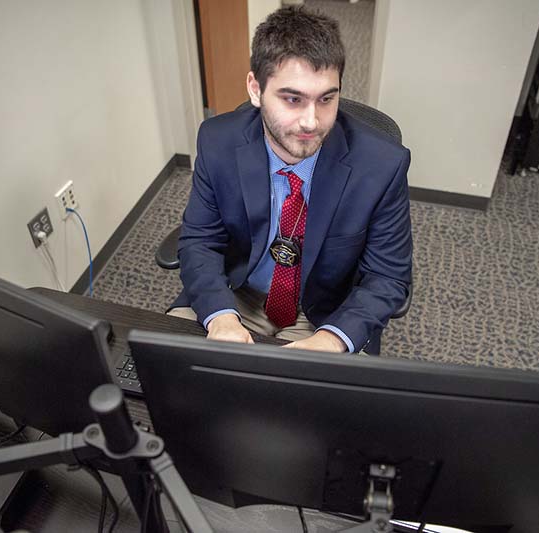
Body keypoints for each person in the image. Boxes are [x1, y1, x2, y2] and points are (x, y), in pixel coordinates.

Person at [168, 6, 412, 354]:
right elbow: (199, 241)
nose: (311, 122)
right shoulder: (217, 141)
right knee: (168, 374)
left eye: (327, 99)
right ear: (255, 89)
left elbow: (387, 278)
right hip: (233, 293)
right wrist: (221, 317)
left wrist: (330, 340)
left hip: (319, 314)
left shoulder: (381, 166)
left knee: (294, 405)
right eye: (292, 99)